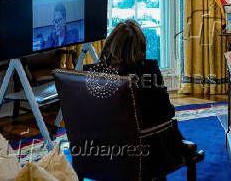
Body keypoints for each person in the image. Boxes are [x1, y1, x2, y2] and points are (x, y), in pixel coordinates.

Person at [84, 20, 203, 172]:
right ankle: (185, 154)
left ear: (110, 45)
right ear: (140, 46)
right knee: (168, 128)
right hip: (143, 155)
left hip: (100, 153)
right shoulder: (148, 70)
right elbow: (166, 113)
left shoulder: (91, 73)